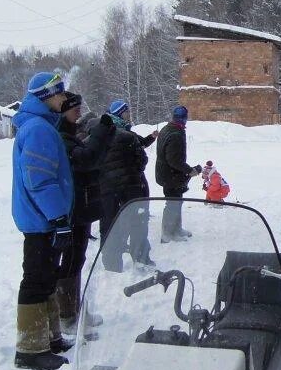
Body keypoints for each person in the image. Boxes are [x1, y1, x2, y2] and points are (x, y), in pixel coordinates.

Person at [10, 72, 74, 370]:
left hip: (43, 219)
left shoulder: (41, 125)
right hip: (41, 221)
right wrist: (58, 217)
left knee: (47, 277)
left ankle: (49, 338)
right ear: (46, 96)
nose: (64, 98)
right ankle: (30, 349)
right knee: (36, 280)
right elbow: (39, 179)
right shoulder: (38, 129)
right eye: (60, 93)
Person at [55, 92, 115, 334]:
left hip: (80, 207)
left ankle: (73, 309)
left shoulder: (70, 134)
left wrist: (104, 134)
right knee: (70, 262)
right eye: (74, 108)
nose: (79, 112)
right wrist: (100, 133)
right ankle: (67, 315)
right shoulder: (61, 137)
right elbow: (86, 160)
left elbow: (95, 159)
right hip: (71, 209)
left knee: (76, 260)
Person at [99, 99, 157, 268]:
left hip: (109, 189)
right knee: (137, 222)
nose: (128, 115)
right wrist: (130, 172)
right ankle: (140, 257)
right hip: (130, 187)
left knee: (111, 224)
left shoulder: (102, 132)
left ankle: (111, 261)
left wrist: (151, 138)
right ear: (119, 113)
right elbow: (142, 159)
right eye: (126, 112)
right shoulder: (126, 135)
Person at [155, 105, 201, 242]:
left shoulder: (168, 128)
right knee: (172, 203)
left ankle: (177, 229)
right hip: (170, 175)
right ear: (184, 119)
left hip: (168, 174)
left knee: (177, 201)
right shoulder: (175, 134)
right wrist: (190, 170)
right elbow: (174, 160)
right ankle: (168, 234)